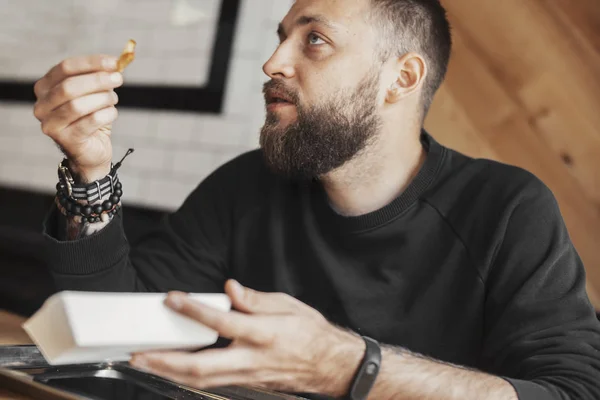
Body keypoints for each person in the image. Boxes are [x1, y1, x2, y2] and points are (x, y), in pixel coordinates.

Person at [32, 0, 600, 399]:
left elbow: (571, 392)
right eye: (281, 36)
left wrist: (348, 367)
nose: (274, 62)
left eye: (315, 40)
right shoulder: (244, 187)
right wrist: (90, 170)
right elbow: (113, 333)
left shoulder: (507, 210)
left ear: (400, 79)